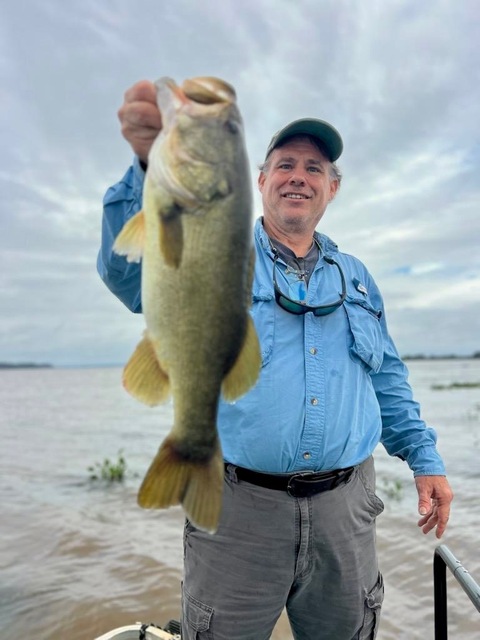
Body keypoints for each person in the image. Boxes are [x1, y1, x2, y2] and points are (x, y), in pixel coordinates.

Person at [97, 80, 454, 640]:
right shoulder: (212, 241)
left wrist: (425, 458)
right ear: (259, 181)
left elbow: (385, 375)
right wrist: (146, 166)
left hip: (346, 513)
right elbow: (125, 270)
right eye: (285, 164)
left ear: (332, 189)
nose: (299, 177)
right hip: (238, 511)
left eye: (314, 169)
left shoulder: (357, 277)